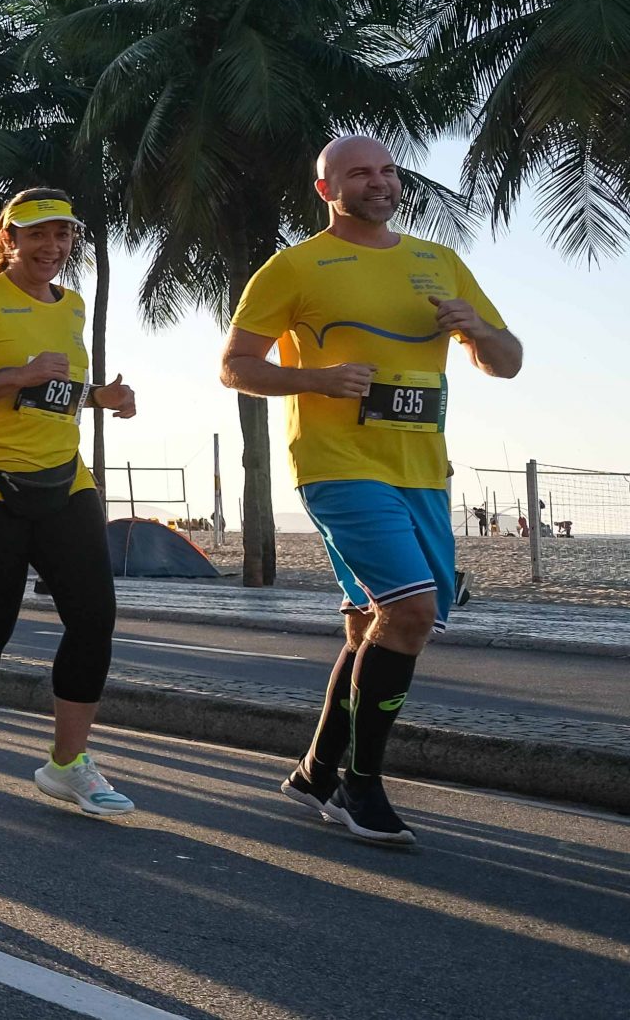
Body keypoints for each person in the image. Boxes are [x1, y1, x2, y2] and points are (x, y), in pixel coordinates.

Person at [222, 135, 521, 847]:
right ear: (327, 189)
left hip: (422, 470)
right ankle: (360, 784)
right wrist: (316, 380)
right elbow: (235, 366)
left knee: (369, 624)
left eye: (388, 170)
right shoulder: (294, 267)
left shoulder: (438, 261)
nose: (380, 182)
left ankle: (315, 770)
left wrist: (478, 330)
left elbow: (507, 361)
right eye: (360, 173)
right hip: (337, 464)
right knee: (411, 612)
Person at [0, 190, 139, 819]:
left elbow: (55, 391)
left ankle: (67, 764)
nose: (52, 247)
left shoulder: (71, 305)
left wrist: (101, 397)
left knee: (94, 618)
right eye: (37, 235)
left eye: (63, 235)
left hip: (64, 480)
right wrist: (18, 373)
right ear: (9, 240)